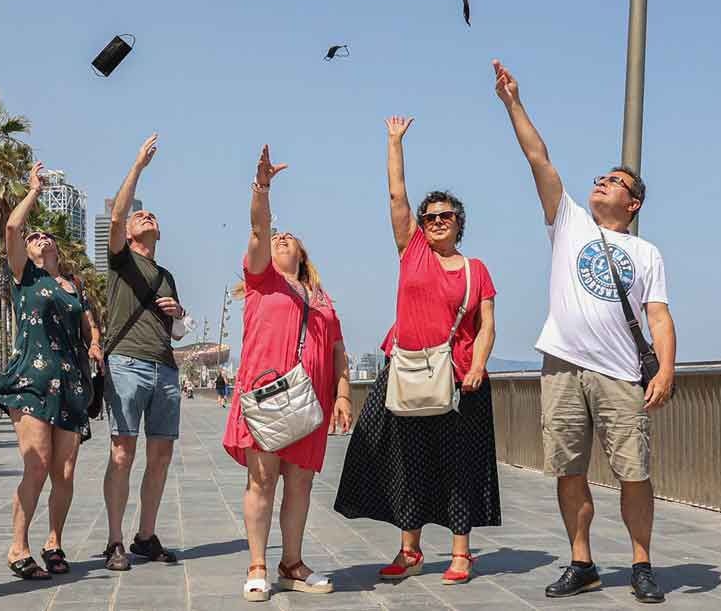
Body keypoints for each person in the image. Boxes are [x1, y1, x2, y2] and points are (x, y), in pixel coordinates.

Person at [493, 60, 674, 603]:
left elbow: (659, 317)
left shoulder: (646, 252)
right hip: (563, 367)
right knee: (568, 470)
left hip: (620, 374)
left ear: (633, 202)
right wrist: (512, 102)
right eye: (600, 177)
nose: (601, 181)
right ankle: (582, 561)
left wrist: (665, 369)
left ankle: (641, 563)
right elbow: (537, 157)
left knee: (633, 472)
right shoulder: (569, 222)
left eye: (614, 181)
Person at [333, 116, 500, 586]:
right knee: (404, 460)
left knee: (459, 464)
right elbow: (396, 194)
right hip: (404, 370)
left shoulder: (476, 269)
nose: (437, 221)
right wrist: (393, 142)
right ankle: (409, 550)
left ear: (458, 223)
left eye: (446, 216)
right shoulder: (412, 250)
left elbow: (486, 325)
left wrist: (480, 366)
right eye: (430, 217)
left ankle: (461, 552)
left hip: (461, 376)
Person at [223, 145, 352, 602]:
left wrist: (342, 395)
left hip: (309, 402)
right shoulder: (262, 279)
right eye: (278, 237)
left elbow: (338, 350)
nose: (281, 238)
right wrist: (262, 186)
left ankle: (291, 563)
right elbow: (260, 225)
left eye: (289, 237)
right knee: (262, 479)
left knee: (300, 483)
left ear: (302, 254)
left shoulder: (322, 298)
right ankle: (258, 563)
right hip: (267, 397)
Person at [0, 161, 102, 581]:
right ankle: (18, 546)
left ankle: (53, 541)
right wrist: (33, 191)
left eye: (45, 235)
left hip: (72, 382)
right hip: (33, 381)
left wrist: (93, 342)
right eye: (35, 236)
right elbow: (11, 231)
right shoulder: (26, 277)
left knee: (65, 470)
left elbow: (88, 320)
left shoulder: (72, 285)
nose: (39, 238)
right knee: (36, 463)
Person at [101, 133, 189, 570]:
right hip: (126, 363)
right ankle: (114, 541)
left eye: (151, 215)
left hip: (165, 369)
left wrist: (179, 313)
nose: (145, 215)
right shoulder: (121, 259)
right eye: (140, 216)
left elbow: (176, 333)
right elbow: (118, 214)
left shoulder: (167, 274)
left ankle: (145, 536)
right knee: (123, 452)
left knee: (161, 456)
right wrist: (137, 166)